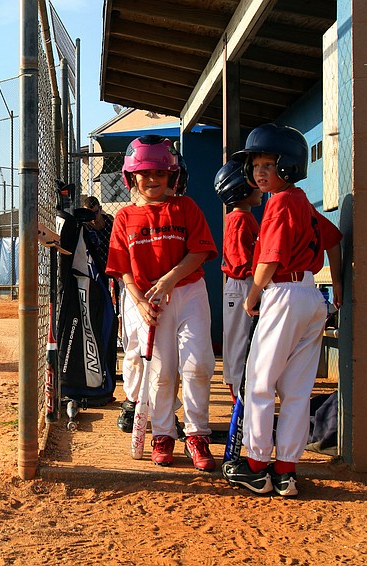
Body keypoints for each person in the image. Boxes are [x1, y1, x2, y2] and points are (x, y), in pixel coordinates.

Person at [222, 124, 343, 497]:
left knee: (258, 384)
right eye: (256, 165)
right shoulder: (303, 201)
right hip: (310, 298)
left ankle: (258, 466)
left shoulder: (278, 203)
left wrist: (252, 295)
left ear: (287, 166)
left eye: (268, 164)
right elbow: (334, 240)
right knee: (296, 389)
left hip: (283, 294)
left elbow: (270, 258)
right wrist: (336, 285)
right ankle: (286, 470)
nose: (259, 172)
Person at [105, 136, 218, 471]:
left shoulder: (186, 207)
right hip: (148, 301)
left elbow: (199, 251)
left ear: (173, 176)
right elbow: (122, 266)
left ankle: (197, 435)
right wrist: (138, 300)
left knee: (198, 365)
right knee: (161, 373)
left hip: (188, 292)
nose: (152, 179)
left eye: (160, 173)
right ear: (131, 178)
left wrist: (169, 278)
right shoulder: (125, 217)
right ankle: (164, 435)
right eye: (144, 173)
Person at [214, 160, 262, 398]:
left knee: (244, 340)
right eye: (254, 183)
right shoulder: (240, 218)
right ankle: (238, 397)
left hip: (244, 285)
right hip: (242, 284)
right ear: (241, 189)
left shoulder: (243, 217)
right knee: (240, 342)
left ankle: (241, 394)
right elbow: (242, 261)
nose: (260, 188)